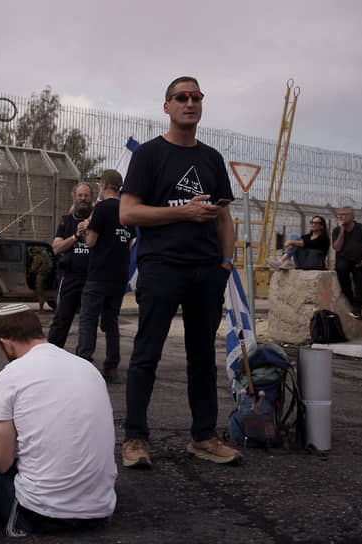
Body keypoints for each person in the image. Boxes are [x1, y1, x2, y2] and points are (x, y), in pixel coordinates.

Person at [119, 76, 241, 468]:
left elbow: (224, 217)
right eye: (181, 97)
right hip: (161, 267)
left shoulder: (212, 159)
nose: (190, 102)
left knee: (203, 357)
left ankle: (203, 436)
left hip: (206, 270)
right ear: (167, 106)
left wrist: (226, 263)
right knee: (146, 354)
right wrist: (183, 211)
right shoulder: (150, 155)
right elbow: (128, 212)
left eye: (196, 97)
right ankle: (135, 439)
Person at [0, 304, 116, 536]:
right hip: (99, 510)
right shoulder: (87, 368)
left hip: (42, 514)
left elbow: (0, 462)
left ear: (5, 342)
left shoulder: (12, 374)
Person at [75, 170, 134, 384]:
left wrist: (83, 230)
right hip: (119, 275)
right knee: (111, 321)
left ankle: (84, 363)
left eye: (100, 182)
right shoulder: (128, 209)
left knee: (88, 319)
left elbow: (91, 242)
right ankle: (111, 366)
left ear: (105, 184)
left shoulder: (101, 208)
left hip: (99, 273)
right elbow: (129, 242)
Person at [47, 182, 94, 348]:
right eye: (80, 195)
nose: (83, 199)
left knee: (88, 322)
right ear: (74, 198)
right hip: (69, 278)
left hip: (91, 279)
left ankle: (84, 358)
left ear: (92, 198)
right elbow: (56, 248)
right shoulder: (66, 221)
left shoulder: (98, 220)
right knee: (61, 319)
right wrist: (75, 237)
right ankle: (51, 354)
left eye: (86, 195)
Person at [332, 206, 362, 320]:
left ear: (352, 216)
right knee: (341, 270)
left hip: (359, 261)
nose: (340, 216)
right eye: (339, 215)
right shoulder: (336, 230)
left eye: (344, 214)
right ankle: (354, 304)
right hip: (344, 260)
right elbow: (337, 248)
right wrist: (341, 230)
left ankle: (357, 307)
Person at [27, 246, 54, 312]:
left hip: (41, 275)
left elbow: (33, 269)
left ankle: (41, 308)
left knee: (39, 290)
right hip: (46, 274)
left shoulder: (37, 257)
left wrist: (28, 270)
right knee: (42, 289)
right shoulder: (45, 255)